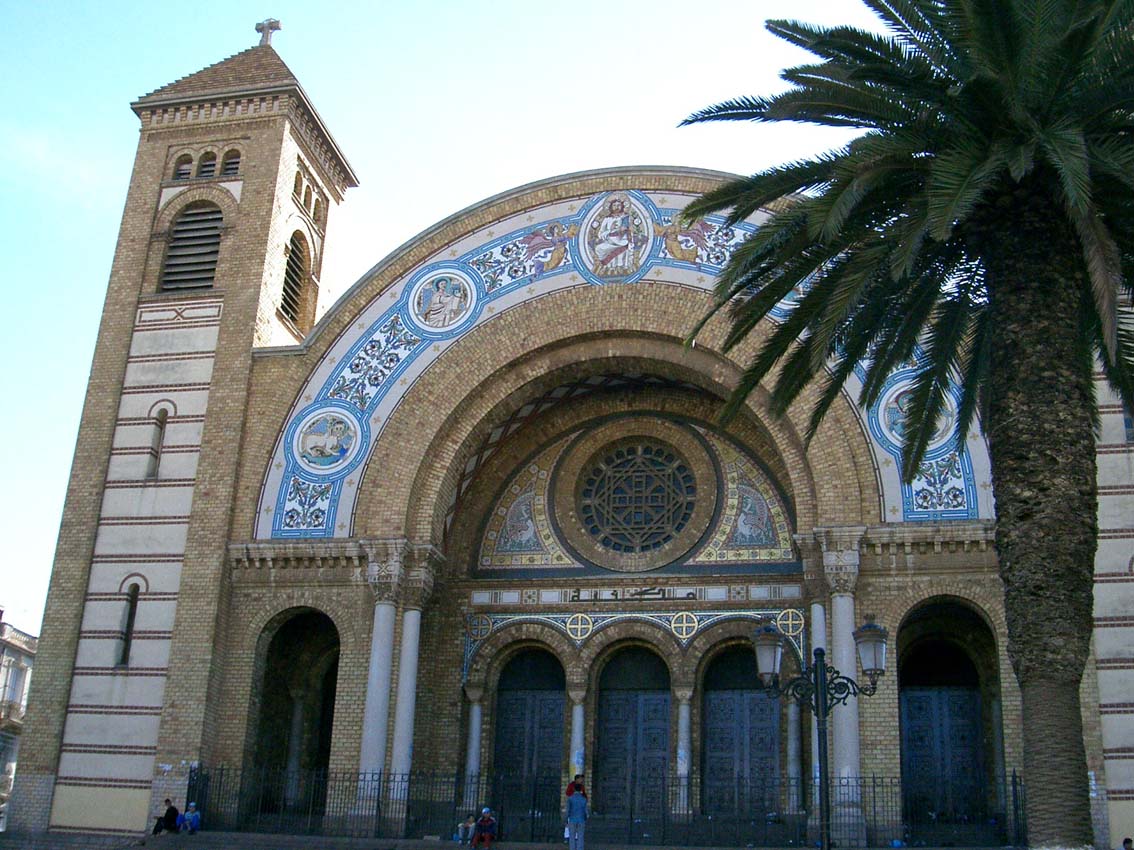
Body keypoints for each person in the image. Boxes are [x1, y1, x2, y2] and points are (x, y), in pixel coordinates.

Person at [565, 773, 589, 850]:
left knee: (572, 837)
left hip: (572, 819)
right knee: (580, 836)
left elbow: (568, 810)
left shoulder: (570, 799)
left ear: (574, 789)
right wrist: (586, 817)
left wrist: (566, 819)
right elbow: (586, 810)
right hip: (581, 819)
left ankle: (572, 848)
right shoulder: (584, 799)